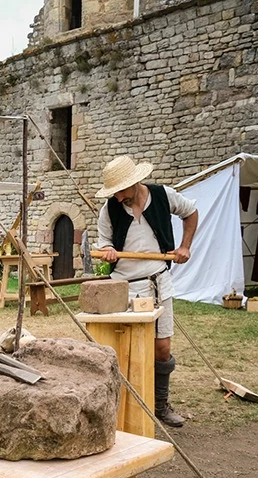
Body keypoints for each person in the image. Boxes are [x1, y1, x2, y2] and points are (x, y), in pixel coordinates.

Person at [95, 155, 199, 427]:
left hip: (158, 281)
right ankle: (119, 407)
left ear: (135, 182)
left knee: (162, 348)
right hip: (123, 286)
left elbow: (191, 212)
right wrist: (107, 249)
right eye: (114, 192)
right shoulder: (109, 209)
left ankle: (160, 406)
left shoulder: (164, 196)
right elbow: (104, 241)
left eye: (121, 191)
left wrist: (185, 246)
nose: (118, 197)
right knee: (120, 348)